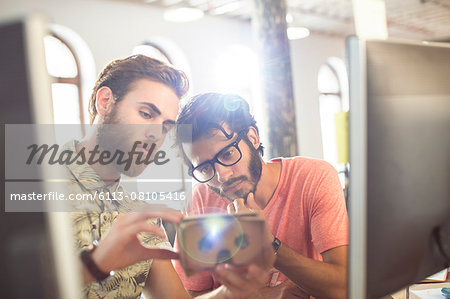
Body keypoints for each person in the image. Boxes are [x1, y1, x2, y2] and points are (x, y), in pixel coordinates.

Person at [64, 55, 271, 299]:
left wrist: (229, 293)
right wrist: (94, 265)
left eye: (165, 126)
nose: (156, 135)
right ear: (105, 101)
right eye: (146, 113)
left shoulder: (142, 219)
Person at [174, 93, 349, 299]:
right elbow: (190, 295)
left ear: (253, 138)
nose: (222, 176)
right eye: (204, 168)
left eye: (227, 154)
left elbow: (342, 288)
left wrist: (270, 246)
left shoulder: (313, 177)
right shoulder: (199, 202)